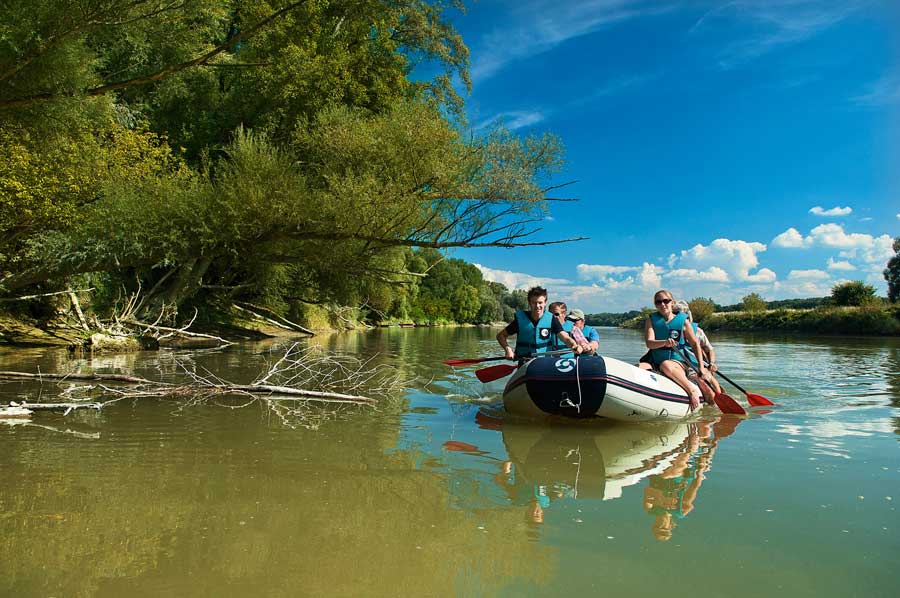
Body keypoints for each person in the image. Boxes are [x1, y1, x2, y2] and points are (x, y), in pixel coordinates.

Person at [637, 289, 707, 409]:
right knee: (638, 368)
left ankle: (692, 391)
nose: (662, 304)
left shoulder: (683, 321)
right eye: (658, 302)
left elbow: (695, 345)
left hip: (678, 362)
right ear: (655, 305)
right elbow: (650, 343)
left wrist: (701, 367)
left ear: (672, 303)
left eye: (666, 301)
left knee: (666, 365)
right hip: (654, 360)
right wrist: (664, 342)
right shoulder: (650, 321)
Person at [497, 286, 578, 361]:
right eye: (534, 302)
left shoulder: (551, 319)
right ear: (529, 303)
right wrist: (508, 349)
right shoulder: (520, 320)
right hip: (525, 362)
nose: (537, 306)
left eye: (540, 302)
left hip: (545, 362)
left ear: (545, 303)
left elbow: (565, 338)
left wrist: (574, 344)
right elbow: (500, 336)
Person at [673, 300, 723, 394]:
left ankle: (716, 401)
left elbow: (710, 349)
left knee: (713, 384)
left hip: (695, 365)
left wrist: (711, 363)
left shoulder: (698, 331)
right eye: (675, 314)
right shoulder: (669, 330)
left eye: (681, 314)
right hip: (678, 365)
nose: (679, 317)